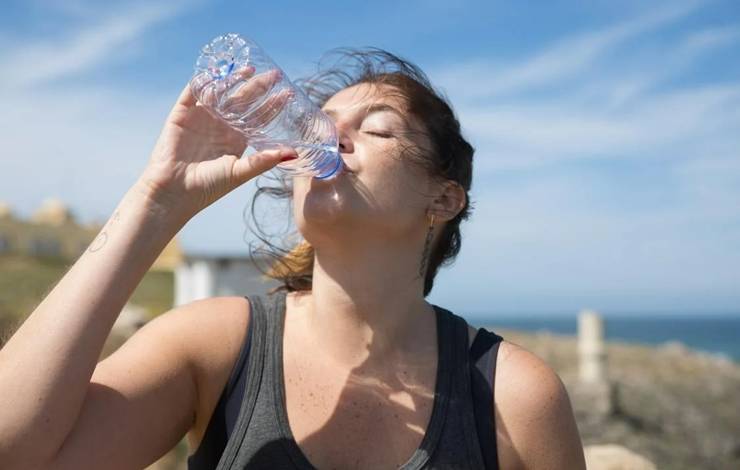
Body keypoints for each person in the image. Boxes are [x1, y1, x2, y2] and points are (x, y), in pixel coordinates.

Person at [0, 48, 586, 470]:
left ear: (443, 198)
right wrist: (158, 201)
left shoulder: (512, 393)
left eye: (377, 131)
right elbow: (15, 452)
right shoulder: (217, 346)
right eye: (324, 127)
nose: (331, 140)